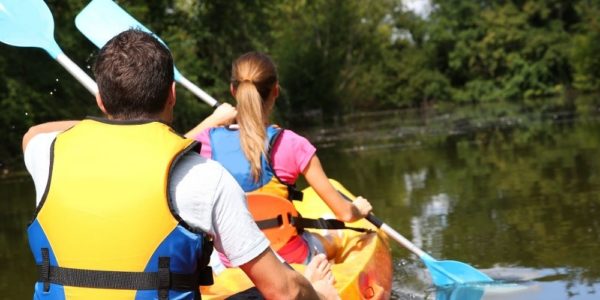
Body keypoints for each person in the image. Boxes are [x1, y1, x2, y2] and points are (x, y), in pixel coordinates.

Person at [22, 29, 337, 299]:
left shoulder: (44, 154)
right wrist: (319, 293)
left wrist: (110, 126)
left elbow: (34, 132)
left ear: (101, 101)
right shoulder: (204, 176)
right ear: (172, 95)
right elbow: (282, 291)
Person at [186, 51, 373, 265]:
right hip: (290, 258)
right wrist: (358, 208)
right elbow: (345, 214)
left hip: (233, 262)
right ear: (276, 91)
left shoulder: (208, 141)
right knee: (337, 236)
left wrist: (212, 120)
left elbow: (169, 151)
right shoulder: (293, 144)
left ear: (233, 90)